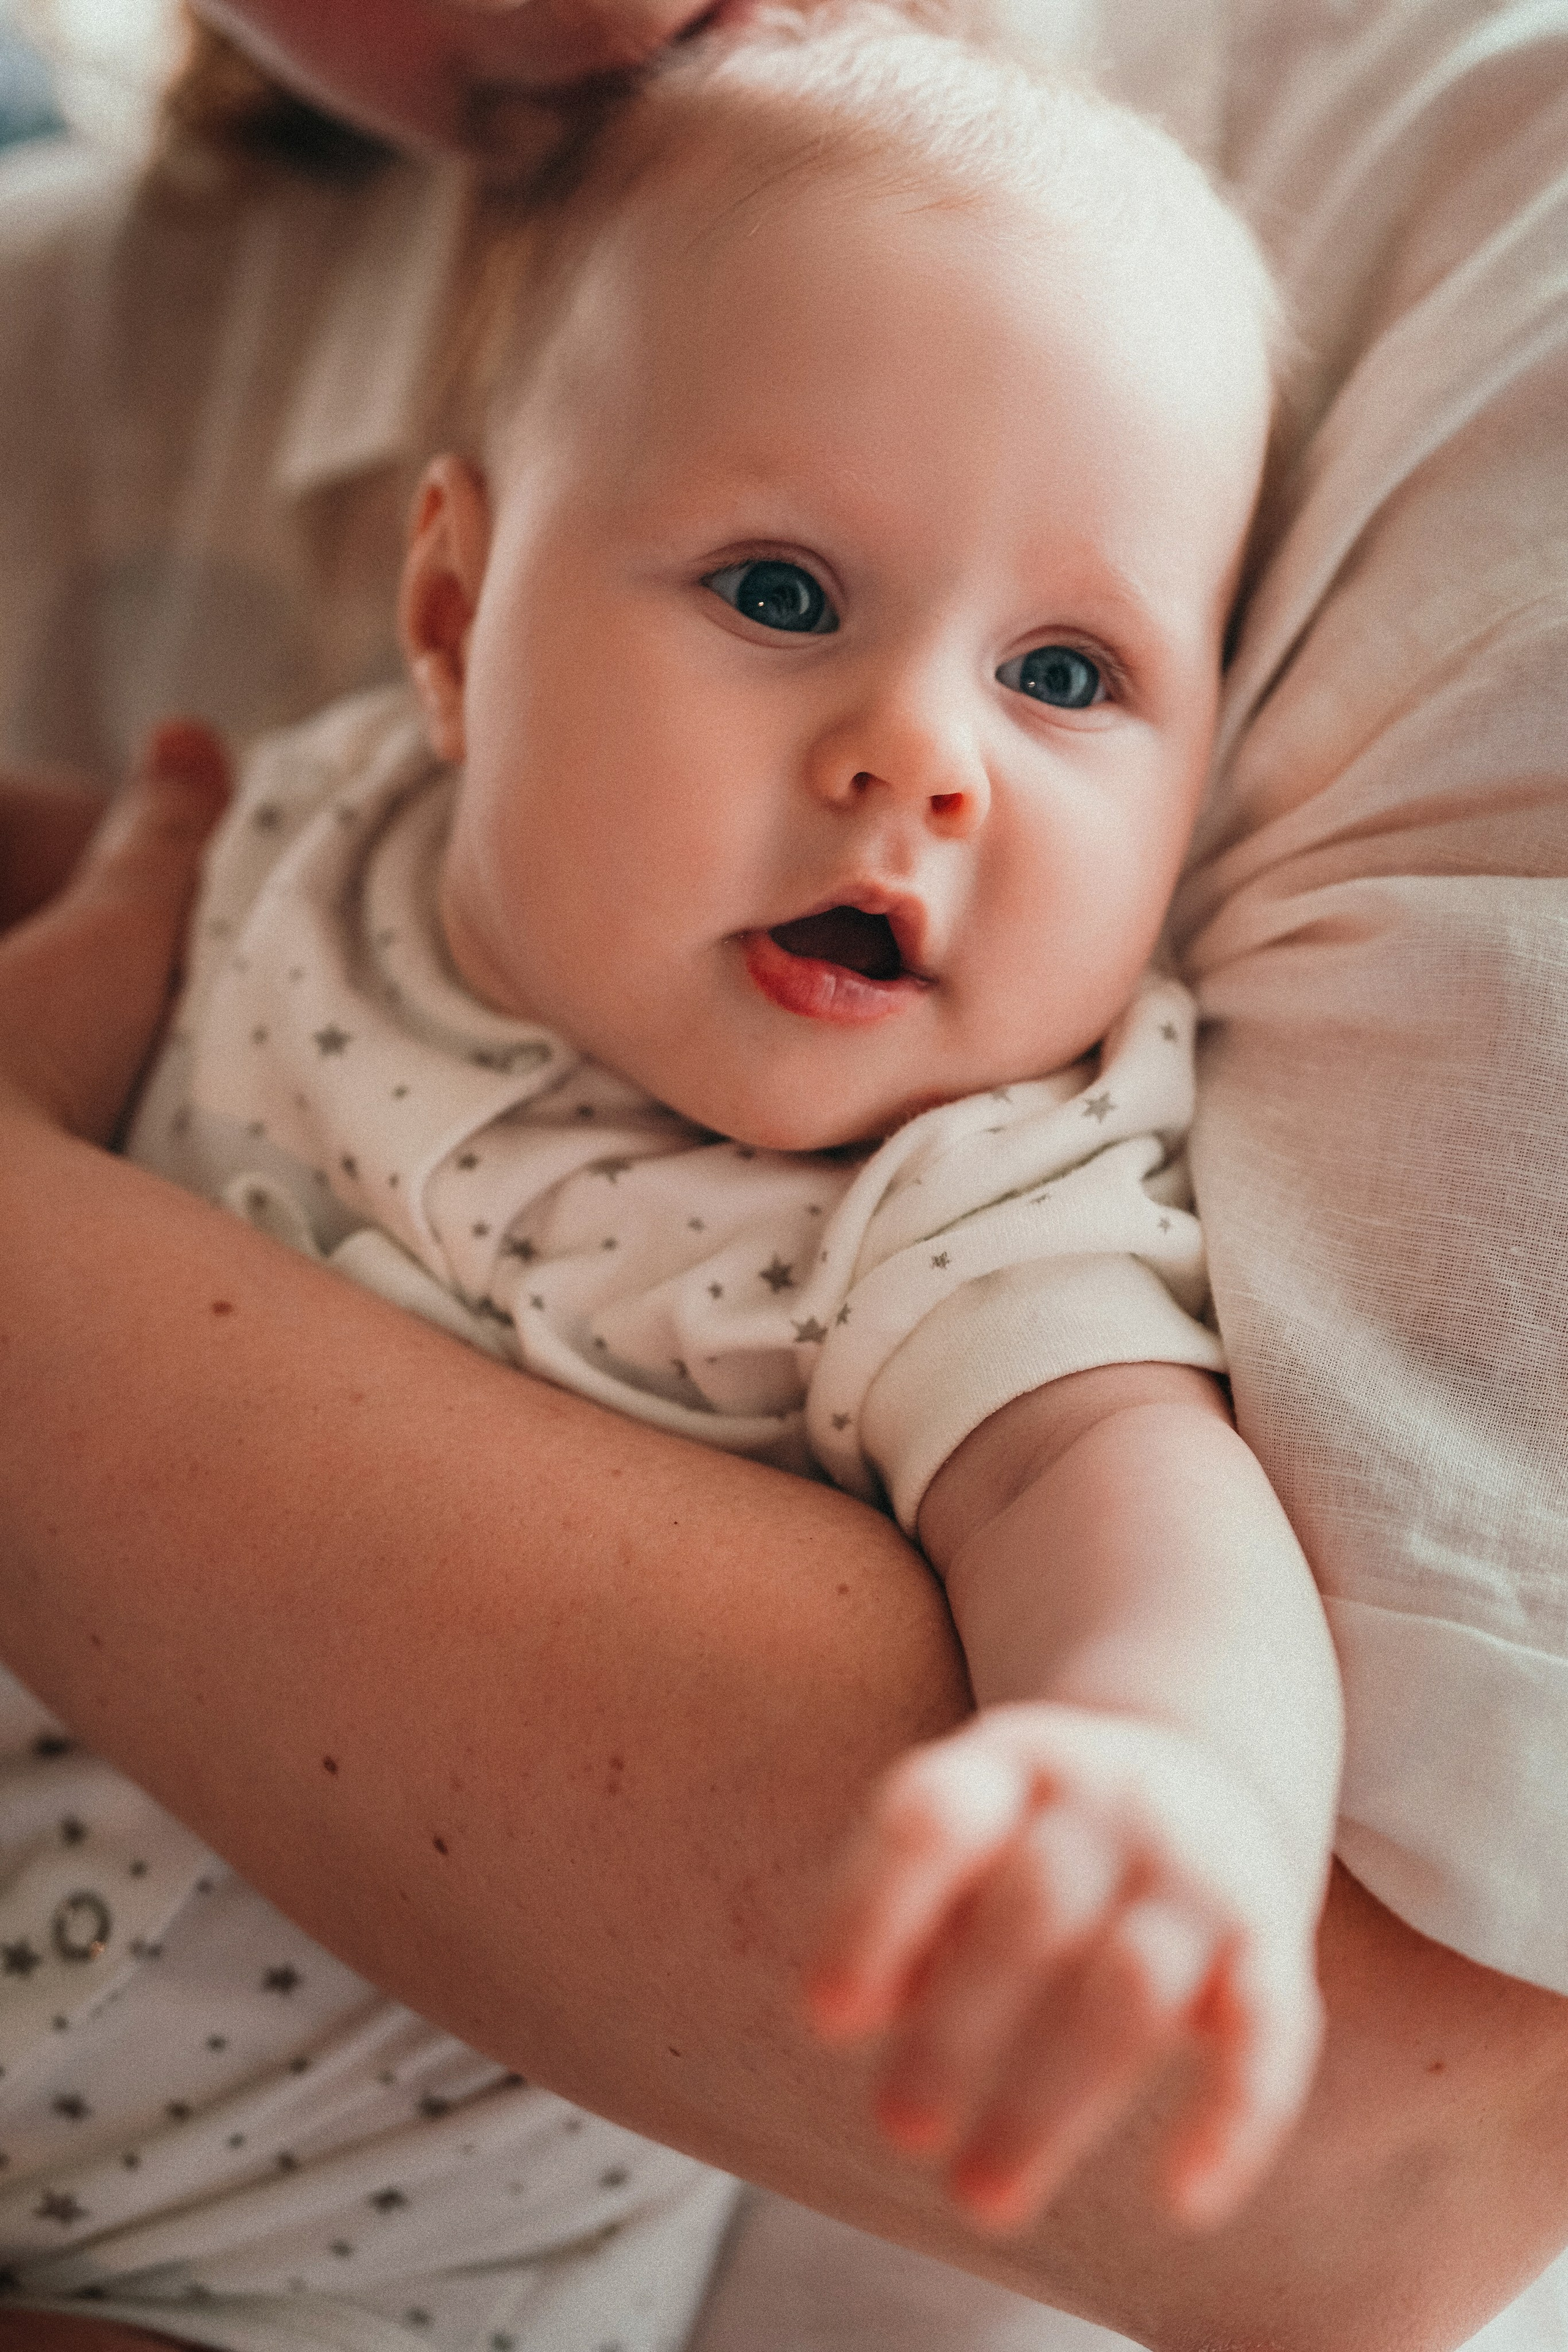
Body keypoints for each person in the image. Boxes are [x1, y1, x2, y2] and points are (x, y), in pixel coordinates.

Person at [1, 2, 1567, 2350]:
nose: (917, 759)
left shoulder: (969, 1200)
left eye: (1065, 676)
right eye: (783, 597)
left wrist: (1160, 1777)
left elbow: (1120, 1499)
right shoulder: (306, 832)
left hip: (301, 2274)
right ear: (452, 619)